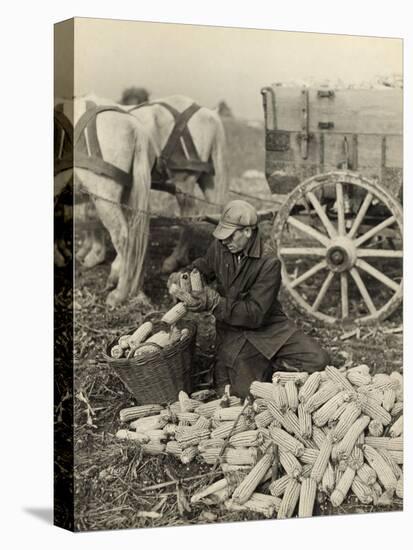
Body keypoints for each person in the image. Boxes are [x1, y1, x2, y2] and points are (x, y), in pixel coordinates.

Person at [169, 199, 329, 399]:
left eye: (230, 236)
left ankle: (270, 366)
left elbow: (256, 314)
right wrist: (185, 275)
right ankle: (251, 368)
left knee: (318, 359)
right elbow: (204, 266)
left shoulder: (269, 262)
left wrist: (216, 303)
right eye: (222, 236)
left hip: (268, 327)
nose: (225, 241)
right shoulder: (221, 246)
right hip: (233, 330)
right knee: (244, 393)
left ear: (247, 232)